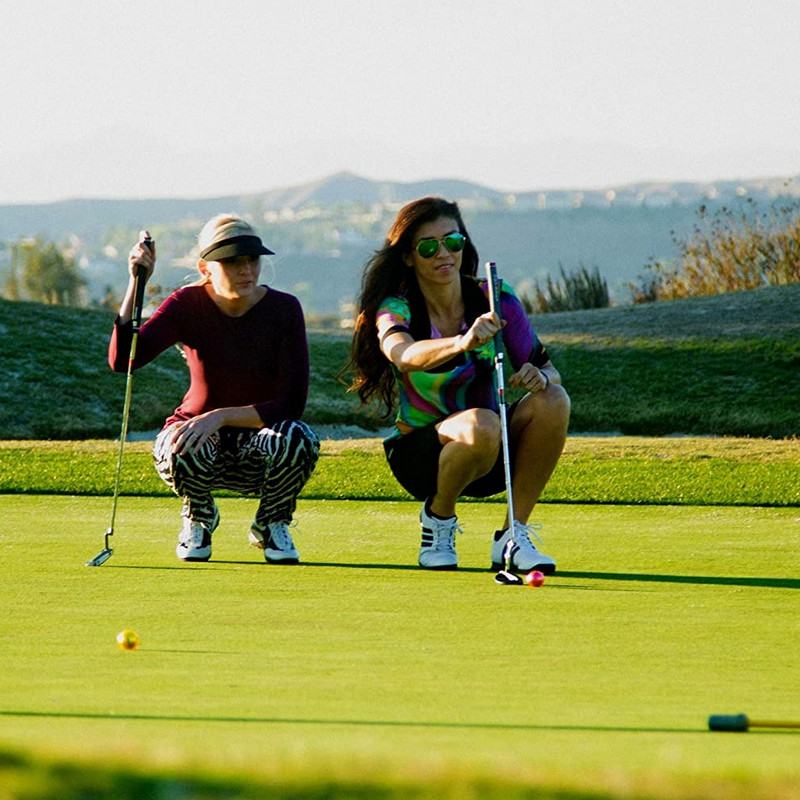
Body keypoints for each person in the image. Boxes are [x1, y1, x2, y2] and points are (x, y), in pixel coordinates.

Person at [346, 196, 570, 572]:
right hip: (422, 457)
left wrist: (538, 376)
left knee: (554, 399)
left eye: (453, 242)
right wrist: (461, 343)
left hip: (491, 448)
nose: (444, 253)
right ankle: (438, 520)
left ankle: (513, 535)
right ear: (408, 257)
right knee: (480, 424)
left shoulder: (493, 298)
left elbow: (548, 369)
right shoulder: (396, 307)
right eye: (429, 246)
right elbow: (404, 354)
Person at [109, 214, 320, 563]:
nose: (247, 270)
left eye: (252, 260)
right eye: (233, 262)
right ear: (205, 267)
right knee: (179, 442)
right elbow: (123, 360)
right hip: (198, 448)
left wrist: (220, 417)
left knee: (298, 438)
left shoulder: (284, 309)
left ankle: (271, 522)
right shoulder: (185, 304)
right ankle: (199, 516)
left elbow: (292, 403)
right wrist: (137, 282)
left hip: (260, 443)